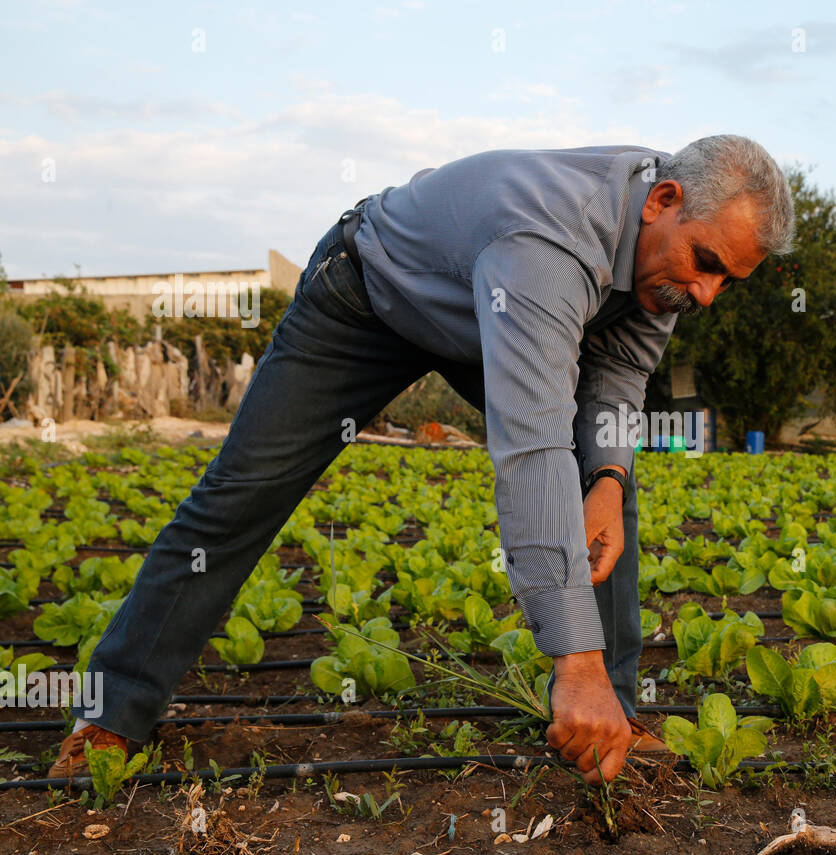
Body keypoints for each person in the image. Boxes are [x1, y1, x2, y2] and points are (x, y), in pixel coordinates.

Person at [50, 134, 795, 786]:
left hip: (483, 317)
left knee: (604, 485)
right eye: (705, 265)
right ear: (661, 200)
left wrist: (604, 477)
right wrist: (574, 661)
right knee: (242, 495)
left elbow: (621, 377)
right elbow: (528, 446)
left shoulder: (666, 266)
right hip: (372, 297)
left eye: (728, 279)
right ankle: (111, 716)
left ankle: (613, 722)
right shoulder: (550, 242)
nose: (706, 292)